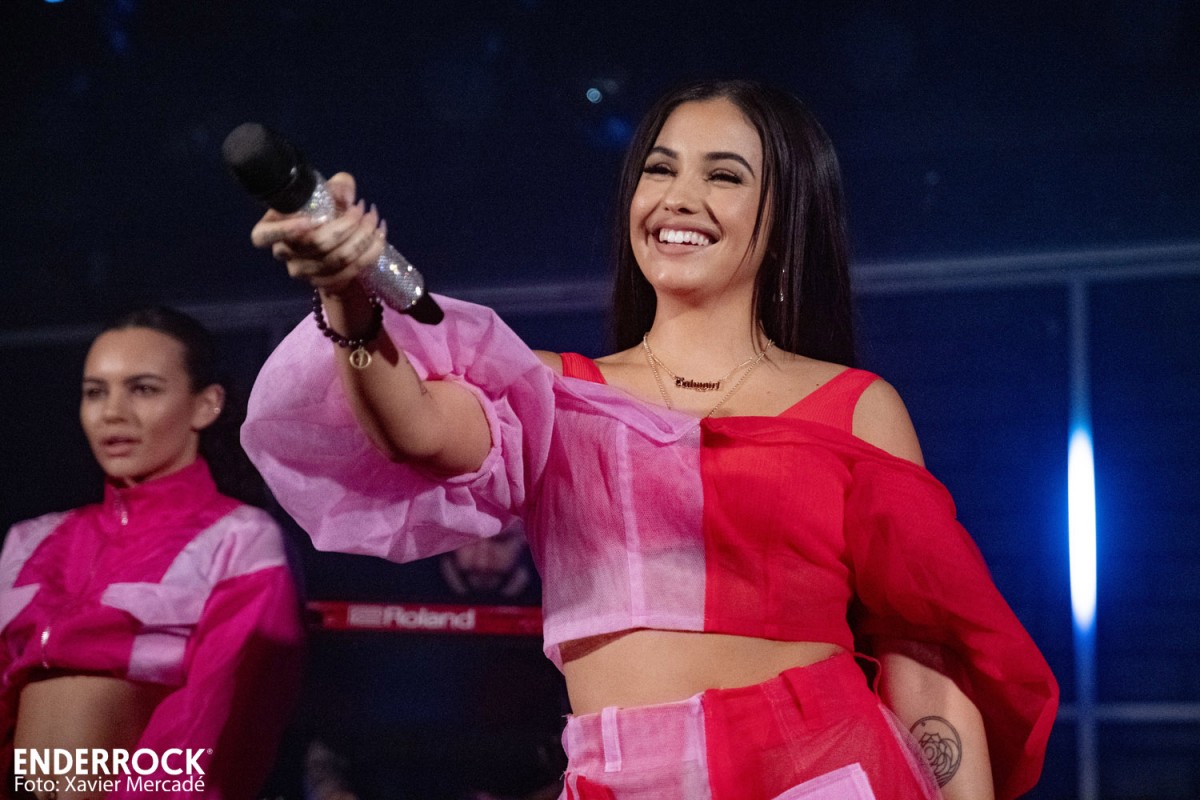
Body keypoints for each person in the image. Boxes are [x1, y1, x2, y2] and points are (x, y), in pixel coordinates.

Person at [242, 79, 1058, 799]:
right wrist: (347, 294)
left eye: (724, 175)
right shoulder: (558, 393)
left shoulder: (855, 407)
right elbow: (416, 428)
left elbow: (927, 663)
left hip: (819, 774)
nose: (678, 197)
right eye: (660, 170)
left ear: (786, 217)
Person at [0, 307, 305, 799]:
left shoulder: (241, 538)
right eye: (95, 392)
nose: (112, 412)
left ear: (206, 405)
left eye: (142, 389)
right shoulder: (29, 538)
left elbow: (222, 720)